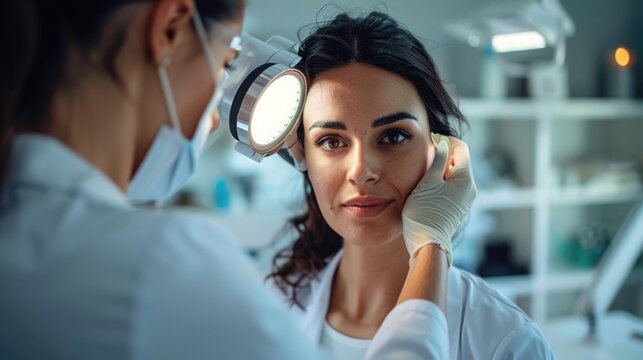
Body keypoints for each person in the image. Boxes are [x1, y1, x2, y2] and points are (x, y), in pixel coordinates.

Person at [0, 1, 470, 358]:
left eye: (392, 136)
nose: (210, 120)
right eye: (226, 63)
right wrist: (432, 247)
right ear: (170, 25)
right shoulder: (160, 266)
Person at [268, 11, 555, 360]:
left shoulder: (505, 341)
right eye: (330, 141)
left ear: (440, 153)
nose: (361, 172)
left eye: (393, 136)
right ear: (302, 158)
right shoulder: (276, 309)